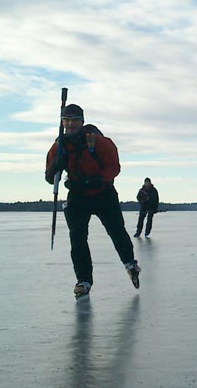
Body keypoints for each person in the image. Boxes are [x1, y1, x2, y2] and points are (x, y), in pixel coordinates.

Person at [45, 103, 141, 298]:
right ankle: (84, 280)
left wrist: (99, 178)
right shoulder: (59, 146)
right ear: (62, 122)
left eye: (74, 120)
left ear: (82, 121)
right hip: (78, 197)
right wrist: (57, 164)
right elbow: (49, 177)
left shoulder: (98, 142)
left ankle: (130, 264)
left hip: (102, 193)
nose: (70, 124)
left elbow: (114, 167)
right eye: (66, 120)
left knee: (116, 231)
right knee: (78, 239)